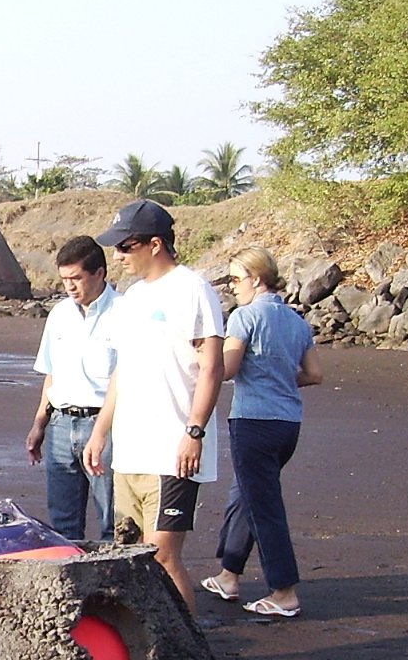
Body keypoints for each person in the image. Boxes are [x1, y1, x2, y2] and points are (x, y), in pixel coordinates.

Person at [81, 199, 224, 614]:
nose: (118, 256)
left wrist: (194, 432)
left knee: (163, 557)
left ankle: (189, 653)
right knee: (129, 554)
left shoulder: (193, 290)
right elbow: (122, 371)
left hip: (172, 452)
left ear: (155, 243)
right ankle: (145, 644)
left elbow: (212, 367)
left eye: (126, 246)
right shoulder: (131, 298)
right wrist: (100, 431)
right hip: (131, 450)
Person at [202, 246, 324, 619]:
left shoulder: (245, 316)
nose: (233, 288)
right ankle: (229, 574)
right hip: (287, 423)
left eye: (236, 279)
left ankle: (284, 591)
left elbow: (226, 369)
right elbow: (314, 374)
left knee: (264, 507)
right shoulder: (296, 321)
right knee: (246, 494)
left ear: (256, 279)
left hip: (254, 422)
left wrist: (199, 356)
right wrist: (280, 381)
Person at [25, 235, 117, 540]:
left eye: (76, 278)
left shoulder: (123, 312)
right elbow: (51, 374)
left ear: (99, 273)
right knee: (63, 523)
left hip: (105, 423)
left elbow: (128, 378)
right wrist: (39, 424)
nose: (69, 286)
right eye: (65, 279)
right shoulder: (59, 314)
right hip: (61, 424)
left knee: (112, 518)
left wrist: (102, 431)